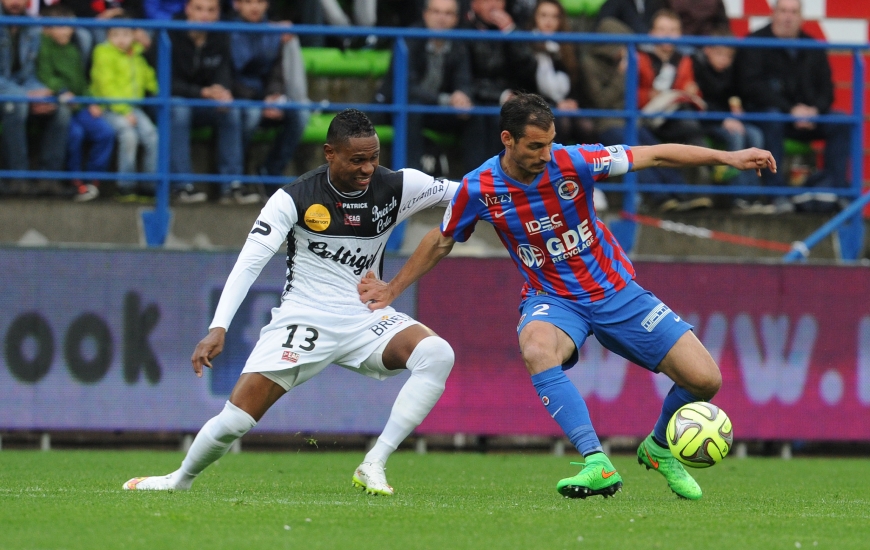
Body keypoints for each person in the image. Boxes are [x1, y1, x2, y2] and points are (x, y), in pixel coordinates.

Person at [358, 93, 777, 500]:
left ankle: (658, 448)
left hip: (616, 291)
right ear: (507, 139)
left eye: (550, 142)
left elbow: (654, 154)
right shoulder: (480, 187)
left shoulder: (575, 161)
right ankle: (597, 462)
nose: (546, 153)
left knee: (705, 380)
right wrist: (392, 288)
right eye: (535, 146)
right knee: (537, 348)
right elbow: (442, 240)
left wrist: (729, 157)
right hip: (553, 299)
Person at [122, 109, 459, 496]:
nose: (368, 168)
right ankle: (178, 480)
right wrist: (219, 327)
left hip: (365, 316)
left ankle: (373, 463)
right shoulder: (293, 198)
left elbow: (470, 192)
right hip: (304, 318)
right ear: (329, 153)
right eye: (357, 159)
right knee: (235, 421)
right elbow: (250, 261)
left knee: (436, 354)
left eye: (374, 158)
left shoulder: (401, 186)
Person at [735, 0, 850, 213]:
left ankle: (837, 193)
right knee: (773, 118)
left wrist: (814, 111)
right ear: (774, 14)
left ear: (801, 17)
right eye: (784, 11)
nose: (788, 17)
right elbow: (750, 88)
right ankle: (776, 196)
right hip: (770, 117)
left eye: (793, 12)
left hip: (808, 118)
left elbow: (827, 91)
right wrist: (790, 110)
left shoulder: (813, 47)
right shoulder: (755, 43)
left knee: (841, 122)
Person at [375, 0, 476, 177]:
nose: (441, 18)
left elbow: (464, 80)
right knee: (412, 107)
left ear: (456, 18)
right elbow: (406, 87)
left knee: (477, 114)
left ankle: (476, 184)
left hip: (438, 109)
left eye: (447, 13)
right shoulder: (408, 39)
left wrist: (463, 96)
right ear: (425, 14)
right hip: (401, 107)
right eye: (436, 12)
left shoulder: (460, 44)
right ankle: (408, 180)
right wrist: (446, 99)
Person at [169, 0, 248, 204]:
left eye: (211, 10)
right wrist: (202, 92)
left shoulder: (221, 35)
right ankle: (182, 186)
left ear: (218, 13)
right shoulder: (169, 33)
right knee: (179, 110)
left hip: (204, 102)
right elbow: (166, 83)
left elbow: (224, 71)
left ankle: (231, 186)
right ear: (188, 9)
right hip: (173, 102)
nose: (204, 15)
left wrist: (221, 91)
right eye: (199, 8)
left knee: (230, 110)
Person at [36, 5, 115, 202]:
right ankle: (75, 181)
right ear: (48, 29)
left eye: (69, 26)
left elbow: (81, 82)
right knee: (75, 135)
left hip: (79, 105)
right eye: (60, 26)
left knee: (105, 132)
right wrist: (62, 92)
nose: (66, 31)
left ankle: (93, 180)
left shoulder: (73, 50)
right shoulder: (43, 48)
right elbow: (44, 75)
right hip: (60, 106)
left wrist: (91, 101)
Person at [230, 0, 307, 190]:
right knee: (251, 115)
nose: (254, 7)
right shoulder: (227, 32)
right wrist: (261, 100)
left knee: (300, 114)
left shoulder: (274, 33)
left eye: (259, 1)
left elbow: (276, 71)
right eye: (248, 2)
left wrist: (274, 95)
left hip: (265, 98)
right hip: (242, 99)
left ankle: (271, 171)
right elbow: (230, 77)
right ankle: (240, 175)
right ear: (236, 4)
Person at [0, 0, 71, 196]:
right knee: (18, 106)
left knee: (61, 110)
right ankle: (17, 178)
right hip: (10, 94)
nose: (15, 2)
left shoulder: (32, 26)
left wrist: (43, 93)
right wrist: (25, 96)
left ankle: (49, 179)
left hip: (21, 90)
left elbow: (29, 74)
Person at [691, 28, 766, 211]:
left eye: (728, 56)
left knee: (756, 135)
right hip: (707, 121)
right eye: (719, 54)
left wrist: (738, 107)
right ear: (707, 51)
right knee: (736, 138)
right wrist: (724, 118)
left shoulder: (732, 71)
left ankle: (754, 196)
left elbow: (737, 93)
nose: (723, 60)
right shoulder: (696, 68)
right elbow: (698, 101)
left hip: (728, 119)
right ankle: (739, 197)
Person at [90, 17, 160, 201]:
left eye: (126, 34)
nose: (121, 39)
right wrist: (123, 110)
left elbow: (149, 79)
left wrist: (161, 93)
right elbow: (106, 87)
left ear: (133, 36)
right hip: (109, 107)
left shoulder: (137, 56)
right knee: (129, 135)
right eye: (116, 34)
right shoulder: (102, 53)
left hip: (134, 108)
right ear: (108, 36)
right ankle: (125, 187)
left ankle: (149, 186)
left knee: (153, 136)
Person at [461, 0, 538, 164]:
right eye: (487, 1)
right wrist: (501, 96)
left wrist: (511, 33)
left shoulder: (512, 30)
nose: (494, 5)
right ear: (474, 5)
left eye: (498, 0)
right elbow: (465, 78)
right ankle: (478, 182)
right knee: (481, 118)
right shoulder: (463, 30)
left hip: (509, 98)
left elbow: (528, 69)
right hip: (477, 99)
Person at [529, 0, 596, 148]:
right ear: (534, 17)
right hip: (537, 104)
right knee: (561, 123)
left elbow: (578, 81)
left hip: (564, 105)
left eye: (554, 16)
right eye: (544, 15)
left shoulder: (568, 46)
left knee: (587, 126)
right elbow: (524, 83)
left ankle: (585, 169)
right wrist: (554, 103)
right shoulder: (525, 45)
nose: (549, 21)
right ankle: (557, 168)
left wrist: (573, 101)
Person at [596, 0, 666, 35]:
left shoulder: (654, 3)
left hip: (651, 49)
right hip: (621, 50)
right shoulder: (615, 2)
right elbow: (604, 24)